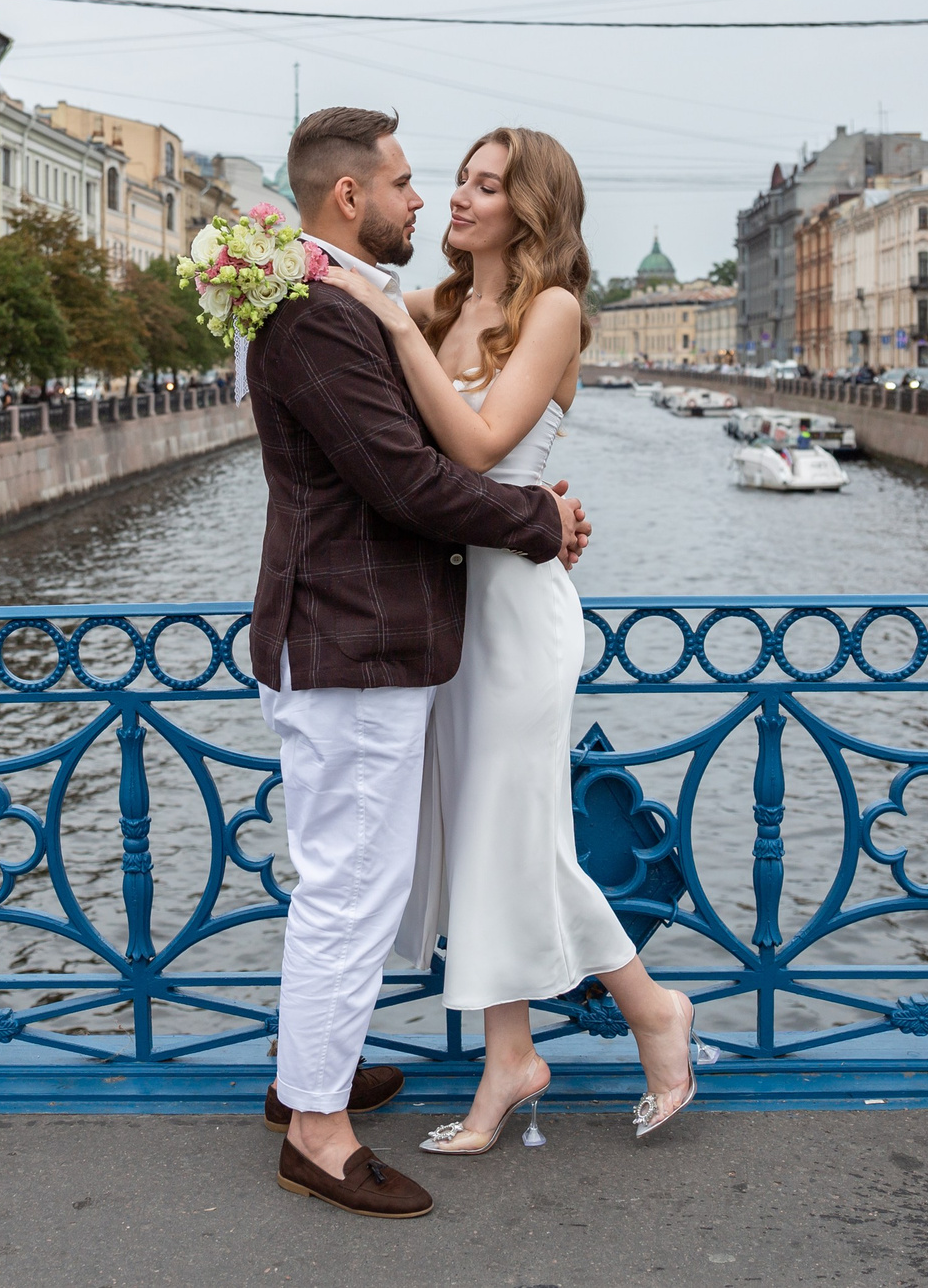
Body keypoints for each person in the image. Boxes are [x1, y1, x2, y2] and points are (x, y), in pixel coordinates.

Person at [322, 126, 705, 1161]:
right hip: (446, 605)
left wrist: (394, 327)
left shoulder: (554, 310)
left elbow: (484, 446)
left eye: (486, 186)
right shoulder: (438, 306)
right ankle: (522, 1053)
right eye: (458, 179)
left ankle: (646, 1014)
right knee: (487, 839)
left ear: (528, 208)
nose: (458, 198)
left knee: (516, 836)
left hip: (518, 610)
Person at [245, 107, 589, 1221]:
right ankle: (319, 1133)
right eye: (404, 182)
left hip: (356, 635)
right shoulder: (321, 314)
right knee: (350, 889)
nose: (424, 199)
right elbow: (406, 479)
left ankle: (314, 1075)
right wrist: (537, 518)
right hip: (352, 638)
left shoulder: (339, 301)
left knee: (349, 880)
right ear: (350, 196)